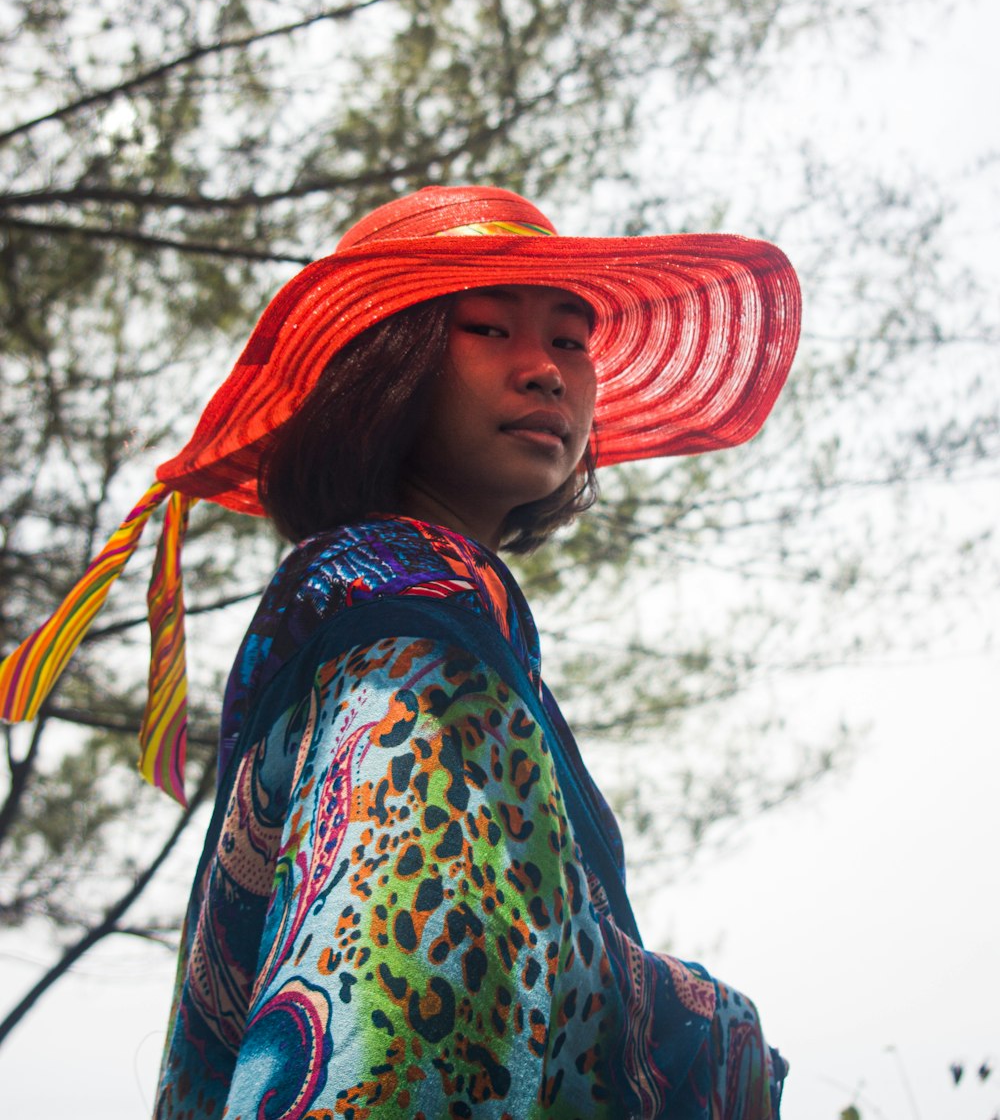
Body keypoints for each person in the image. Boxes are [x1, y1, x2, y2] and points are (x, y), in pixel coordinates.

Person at [0, 185, 800, 1118]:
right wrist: (710, 1023)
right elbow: (404, 1006)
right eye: (490, 329)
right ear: (389, 371)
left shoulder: (390, 614)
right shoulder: (419, 636)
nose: (546, 370)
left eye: (572, 342)